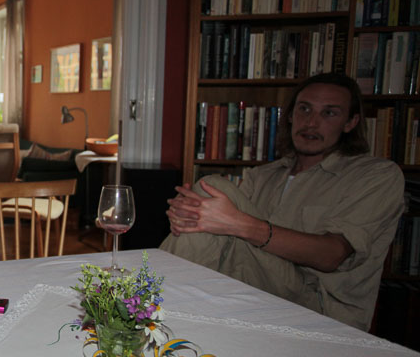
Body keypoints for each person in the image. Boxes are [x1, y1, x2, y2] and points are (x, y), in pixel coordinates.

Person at [161, 72, 404, 331]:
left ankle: (148, 307)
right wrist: (190, 216)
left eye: (329, 113)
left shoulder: (377, 175)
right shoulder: (263, 175)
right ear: (290, 115)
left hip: (319, 306)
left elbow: (332, 255)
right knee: (206, 198)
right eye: (304, 109)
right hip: (253, 289)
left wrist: (238, 224)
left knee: (213, 188)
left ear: (350, 122)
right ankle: (156, 309)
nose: (311, 122)